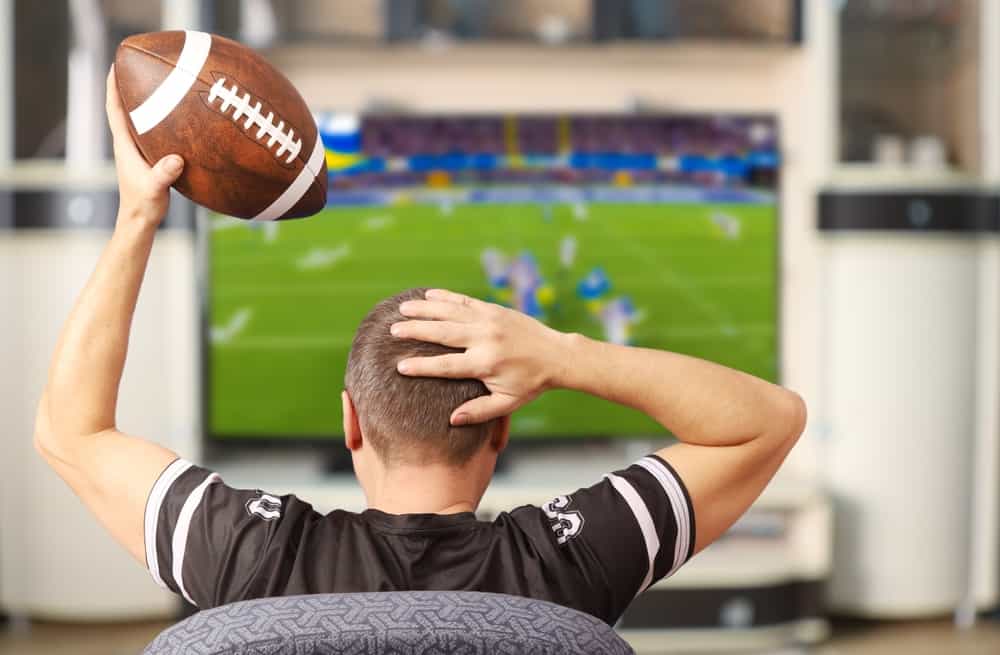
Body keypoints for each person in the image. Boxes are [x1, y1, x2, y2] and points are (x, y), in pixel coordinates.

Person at [34, 70, 806, 626]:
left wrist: (139, 213)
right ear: (500, 425)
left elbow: (71, 431)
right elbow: (770, 418)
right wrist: (565, 353)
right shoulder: (568, 560)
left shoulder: (253, 553)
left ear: (351, 422)